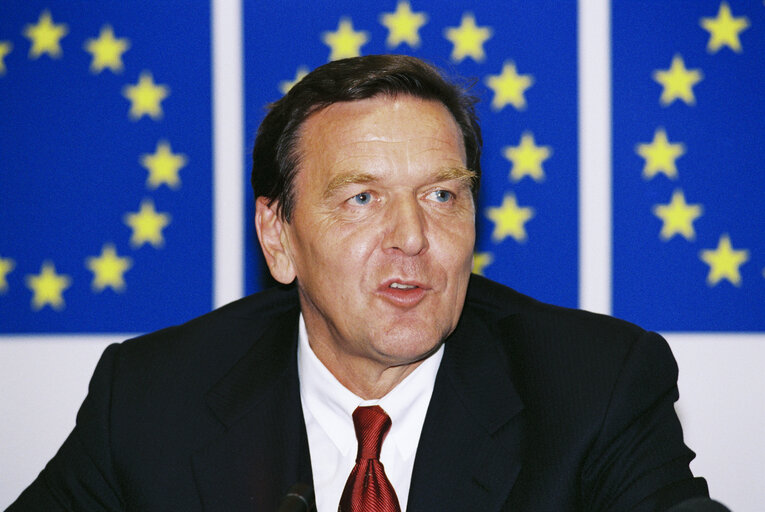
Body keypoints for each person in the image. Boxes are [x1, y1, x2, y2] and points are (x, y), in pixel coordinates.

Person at [9, 55, 717, 511]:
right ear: (278, 236)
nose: (412, 237)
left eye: (442, 195)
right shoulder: (152, 395)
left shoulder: (594, 384)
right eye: (362, 199)